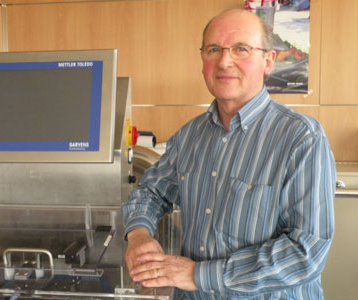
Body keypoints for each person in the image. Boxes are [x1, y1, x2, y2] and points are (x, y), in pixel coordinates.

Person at [122, 8, 335, 300]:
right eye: (213, 49)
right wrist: (138, 235)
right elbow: (151, 192)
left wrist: (197, 274)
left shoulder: (302, 138)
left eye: (241, 49)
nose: (224, 61)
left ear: (268, 61)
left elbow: (305, 254)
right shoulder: (188, 137)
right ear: (202, 60)